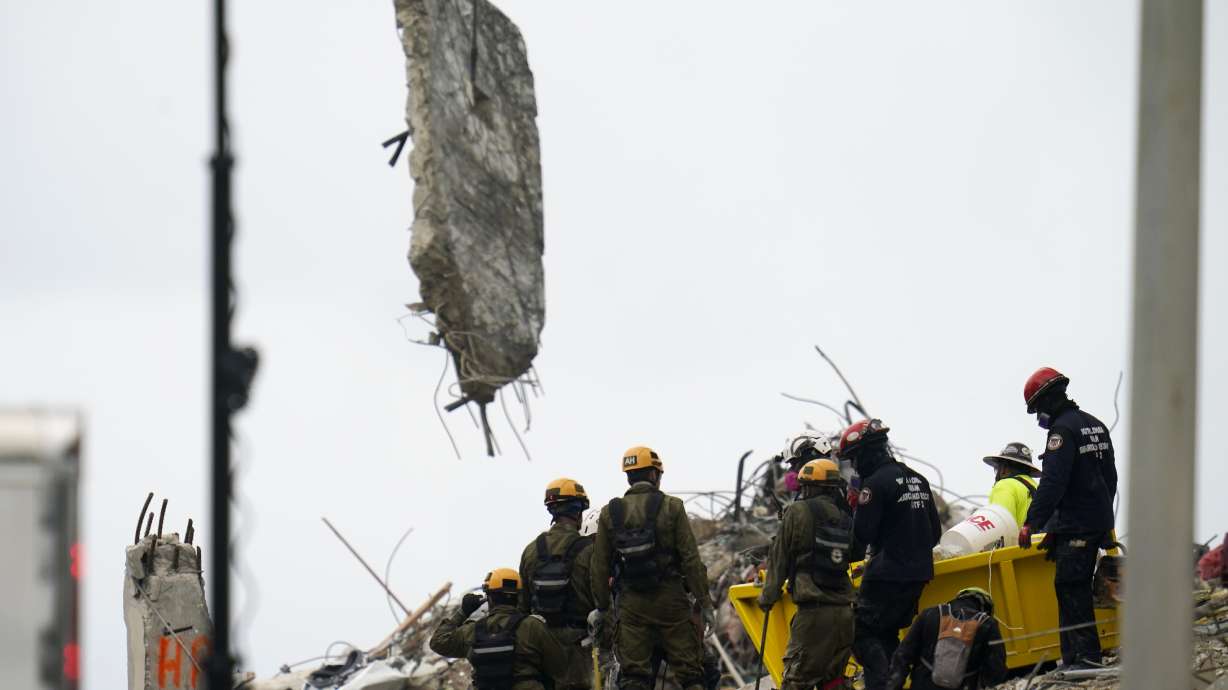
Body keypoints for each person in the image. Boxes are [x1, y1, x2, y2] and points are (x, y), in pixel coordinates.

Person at [1017, 367, 1117, 670]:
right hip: (1093, 520)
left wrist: (1032, 523)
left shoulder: (1061, 432)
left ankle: (1085, 658)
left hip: (1078, 524)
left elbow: (1053, 483)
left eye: (1037, 410)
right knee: (1070, 584)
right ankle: (1072, 658)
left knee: (1071, 586)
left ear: (1046, 401)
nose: (1038, 418)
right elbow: (1109, 478)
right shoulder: (1095, 425)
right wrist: (1101, 519)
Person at [590, 446, 713, 690]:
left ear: (629, 476)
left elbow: (599, 567)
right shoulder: (672, 507)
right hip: (672, 602)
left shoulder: (609, 513)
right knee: (691, 675)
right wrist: (704, 602)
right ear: (655, 475)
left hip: (631, 605)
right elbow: (690, 559)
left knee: (634, 677)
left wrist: (603, 609)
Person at [840, 419, 943, 690]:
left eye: (853, 459)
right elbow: (934, 534)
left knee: (859, 631)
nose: (854, 466)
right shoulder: (917, 479)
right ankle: (893, 683)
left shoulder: (874, 486)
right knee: (885, 633)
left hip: (887, 575)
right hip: (918, 574)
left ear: (864, 454)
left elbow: (861, 537)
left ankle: (883, 685)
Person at [758, 458, 860, 690]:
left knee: (796, 680)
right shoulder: (844, 517)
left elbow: (779, 558)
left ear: (812, 487)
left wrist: (767, 597)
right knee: (833, 682)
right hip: (845, 614)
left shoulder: (796, 511)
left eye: (804, 486)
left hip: (814, 615)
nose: (802, 491)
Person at [429, 568, 571, 690]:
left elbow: (438, 642)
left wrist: (463, 612)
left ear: (489, 597)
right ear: (518, 596)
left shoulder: (473, 630)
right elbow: (561, 667)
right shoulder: (533, 626)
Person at [519, 478, 596, 690]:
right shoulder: (589, 549)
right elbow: (602, 600)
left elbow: (522, 607)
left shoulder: (531, 550)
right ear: (578, 509)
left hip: (540, 650)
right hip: (579, 649)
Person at [884, 587, 1006, 690]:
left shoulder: (929, 614)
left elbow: (903, 655)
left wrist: (894, 686)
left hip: (923, 685)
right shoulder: (988, 624)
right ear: (985, 608)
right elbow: (996, 669)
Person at [981, 442, 1041, 529]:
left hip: (1015, 542)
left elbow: (999, 525)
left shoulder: (1005, 485)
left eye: (998, 467)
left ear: (1005, 468)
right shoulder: (1037, 487)